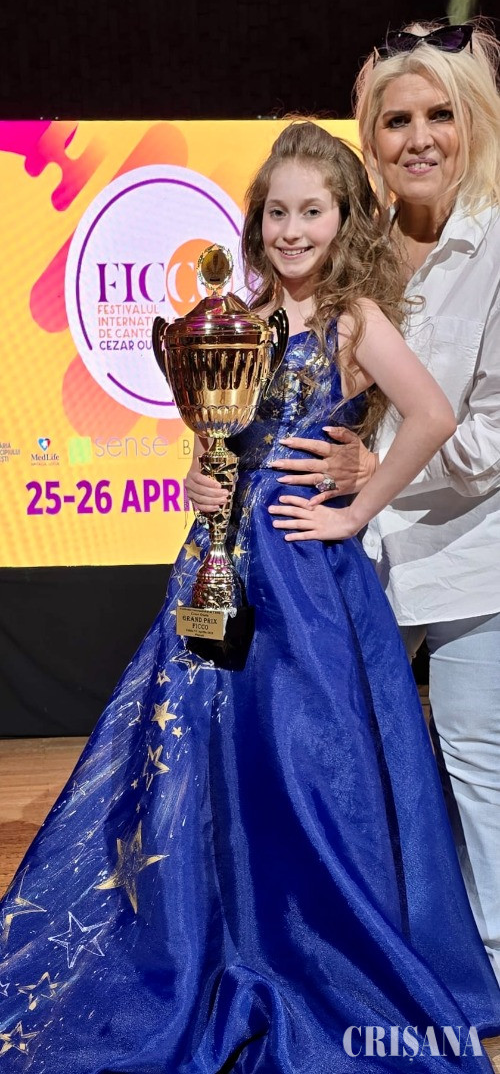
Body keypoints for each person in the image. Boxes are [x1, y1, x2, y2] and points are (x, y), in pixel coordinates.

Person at [0, 122, 499, 1074]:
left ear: (344, 220)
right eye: (277, 212)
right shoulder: (237, 313)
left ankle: (309, 943)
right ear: (257, 221)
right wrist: (199, 478)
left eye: (312, 211)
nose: (292, 230)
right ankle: (210, 935)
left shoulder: (352, 319)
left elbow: (433, 414)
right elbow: (214, 439)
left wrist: (360, 511)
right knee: (204, 760)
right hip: (217, 567)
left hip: (305, 585)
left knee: (303, 763)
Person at [268, 21, 500, 987]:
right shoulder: (349, 243)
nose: (419, 138)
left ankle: (485, 975)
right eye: (397, 119)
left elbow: (481, 431)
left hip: (472, 559)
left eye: (439, 114)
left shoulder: (497, 244)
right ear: (370, 135)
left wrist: (376, 472)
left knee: (476, 767)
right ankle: (370, 968)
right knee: (356, 771)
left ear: (472, 120)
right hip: (347, 565)